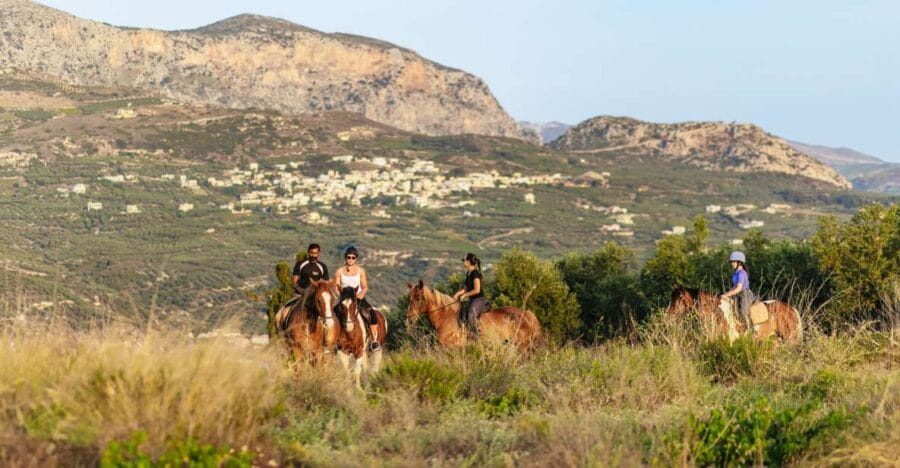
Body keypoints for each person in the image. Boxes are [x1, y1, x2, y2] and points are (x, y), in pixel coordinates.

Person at [334, 246, 381, 351]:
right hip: (344, 299)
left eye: (353, 257)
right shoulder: (339, 271)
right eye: (348, 257)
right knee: (332, 314)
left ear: (356, 258)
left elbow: (365, 287)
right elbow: (336, 287)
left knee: (372, 314)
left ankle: (374, 341)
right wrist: (340, 297)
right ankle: (332, 341)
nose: (350, 259)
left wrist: (359, 296)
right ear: (345, 257)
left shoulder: (360, 271)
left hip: (358, 298)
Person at [453, 253, 487, 335]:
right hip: (472, 299)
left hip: (479, 299)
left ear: (468, 262)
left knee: (471, 315)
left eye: (464, 260)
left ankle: (476, 335)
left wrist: (465, 295)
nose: (463, 262)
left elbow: (477, 290)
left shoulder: (475, 274)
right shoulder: (468, 274)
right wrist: (457, 294)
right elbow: (467, 288)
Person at [720, 251, 754, 330]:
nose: (732, 263)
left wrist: (727, 295)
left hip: (745, 295)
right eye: (732, 262)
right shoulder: (736, 273)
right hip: (738, 294)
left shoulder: (741, 273)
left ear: (740, 262)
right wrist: (726, 294)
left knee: (742, 312)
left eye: (734, 261)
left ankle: (749, 328)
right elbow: (734, 287)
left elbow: (739, 288)